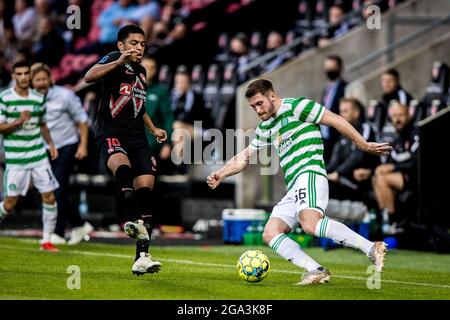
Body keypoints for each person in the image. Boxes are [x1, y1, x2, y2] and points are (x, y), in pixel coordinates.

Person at [207, 78, 392, 285]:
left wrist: (363, 144)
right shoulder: (266, 127)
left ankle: (370, 247)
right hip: (294, 185)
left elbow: (334, 119)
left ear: (272, 96)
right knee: (270, 232)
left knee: (310, 224)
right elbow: (244, 157)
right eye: (253, 107)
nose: (258, 110)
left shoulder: (297, 107)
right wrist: (221, 174)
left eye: (260, 103)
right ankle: (316, 269)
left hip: (310, 173)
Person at [84, 24, 167, 276]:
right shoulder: (113, 59)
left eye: (142, 44)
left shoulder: (141, 72)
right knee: (123, 170)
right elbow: (89, 76)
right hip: (111, 132)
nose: (138, 48)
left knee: (146, 193)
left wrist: (153, 129)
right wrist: (118, 61)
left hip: (137, 137)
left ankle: (142, 257)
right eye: (133, 43)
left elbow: (138, 107)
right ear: (121, 45)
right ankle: (131, 221)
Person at [30, 62, 93, 245]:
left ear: (51, 78)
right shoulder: (31, 99)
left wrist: (83, 146)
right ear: (32, 82)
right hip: (43, 149)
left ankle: (58, 231)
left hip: (66, 145)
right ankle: (79, 224)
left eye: (43, 78)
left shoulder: (65, 96)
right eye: (37, 79)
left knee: (57, 189)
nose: (41, 82)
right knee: (48, 190)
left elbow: (82, 121)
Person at [0, 60, 59, 252]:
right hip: (16, 159)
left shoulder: (38, 97)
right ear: (13, 76)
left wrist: (50, 144)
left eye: (26, 74)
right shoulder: (5, 97)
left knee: (49, 197)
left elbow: (42, 123)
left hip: (38, 155)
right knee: (10, 204)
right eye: (20, 74)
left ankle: (47, 241)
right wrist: (18, 121)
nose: (24, 77)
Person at [372, 102, 419, 235]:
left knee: (382, 179)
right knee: (376, 178)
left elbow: (416, 162)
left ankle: (391, 222)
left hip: (418, 178)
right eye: (394, 116)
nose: (397, 119)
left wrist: (392, 167)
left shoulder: (416, 134)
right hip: (402, 178)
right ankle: (386, 217)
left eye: (400, 115)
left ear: (408, 115)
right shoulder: (397, 140)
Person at [327, 98, 379, 203]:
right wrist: (320, 173)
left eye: (345, 111)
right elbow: (334, 161)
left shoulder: (365, 128)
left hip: (362, 182)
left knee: (325, 187)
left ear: (356, 112)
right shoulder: (342, 135)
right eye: (340, 111)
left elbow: (358, 155)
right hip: (343, 179)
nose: (341, 115)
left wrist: (338, 172)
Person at [141, 56, 174, 173]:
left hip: (152, 144)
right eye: (146, 67)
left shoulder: (161, 91)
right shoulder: (128, 88)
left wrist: (168, 144)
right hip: (130, 141)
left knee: (148, 177)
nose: (149, 70)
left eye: (152, 68)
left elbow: (168, 118)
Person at [320, 55, 346, 163]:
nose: (330, 70)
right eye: (327, 67)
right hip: (323, 134)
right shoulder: (326, 88)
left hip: (336, 135)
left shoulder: (345, 87)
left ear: (340, 68)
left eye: (333, 67)